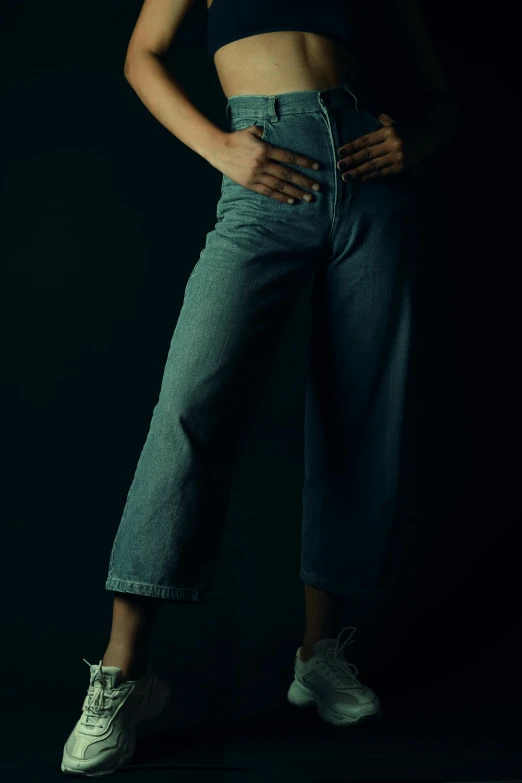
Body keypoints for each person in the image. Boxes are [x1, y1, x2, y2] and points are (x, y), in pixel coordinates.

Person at [61, 0, 460, 776]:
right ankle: (124, 674)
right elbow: (142, 54)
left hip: (369, 179)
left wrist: (414, 140)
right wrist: (218, 146)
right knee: (190, 407)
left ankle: (319, 657)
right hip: (262, 164)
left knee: (361, 414)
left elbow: (443, 101)